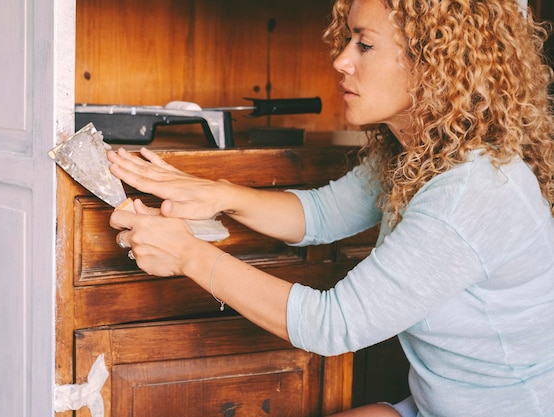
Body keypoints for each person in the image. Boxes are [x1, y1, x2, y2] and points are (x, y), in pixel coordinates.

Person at [107, 0, 554, 415]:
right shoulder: (420, 155)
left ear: (437, 61)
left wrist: (188, 255)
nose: (341, 60)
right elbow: (321, 215)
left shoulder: (472, 191)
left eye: (365, 44)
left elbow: (332, 325)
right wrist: (220, 194)